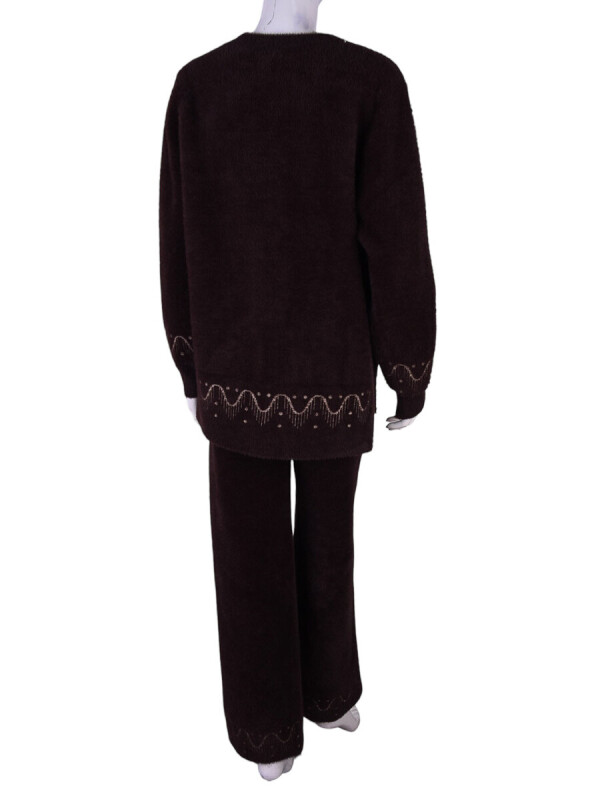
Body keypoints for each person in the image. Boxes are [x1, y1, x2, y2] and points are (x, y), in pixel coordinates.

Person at [159, 0, 437, 781]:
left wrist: (191, 361)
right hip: (327, 368)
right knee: (323, 542)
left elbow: (176, 235)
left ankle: (280, 726)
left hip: (242, 368)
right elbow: (396, 235)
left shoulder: (201, 84)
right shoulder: (368, 80)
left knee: (254, 554)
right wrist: (408, 368)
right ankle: (319, 700)